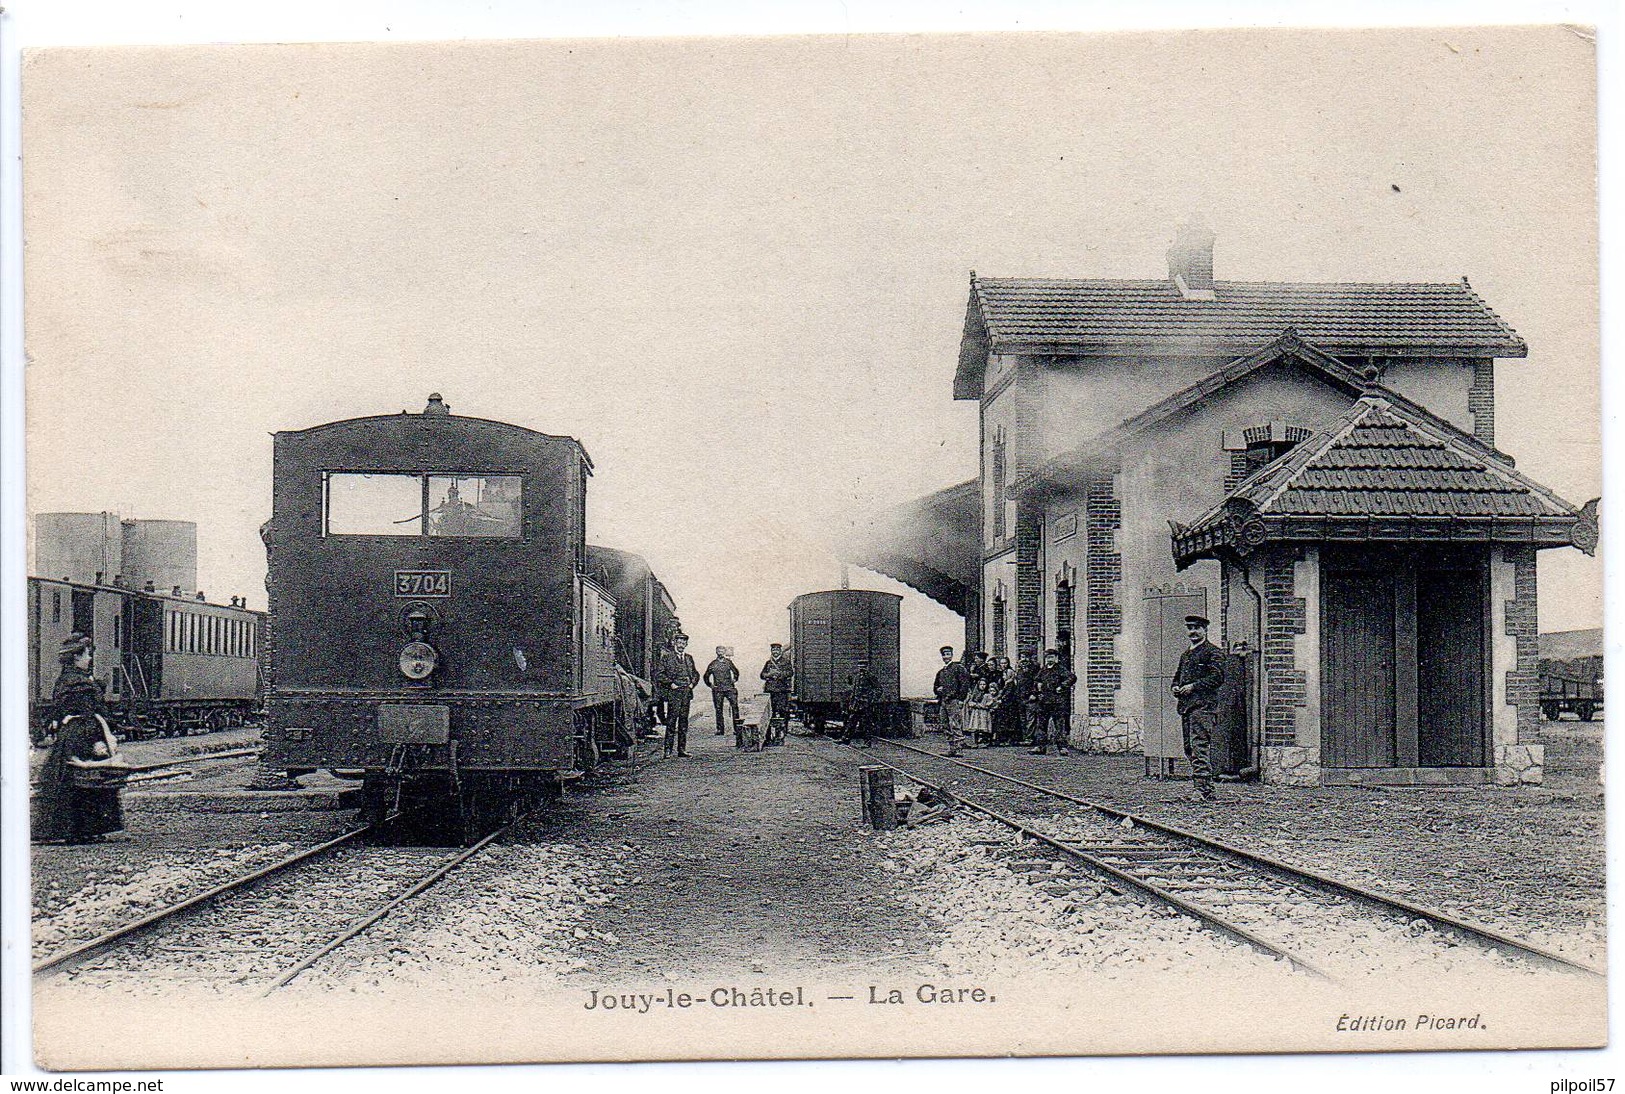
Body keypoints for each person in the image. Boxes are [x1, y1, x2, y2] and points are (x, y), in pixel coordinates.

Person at [33, 635, 128, 844]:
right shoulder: (81, 682)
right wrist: (101, 735)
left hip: (69, 733)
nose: (90, 658)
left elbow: (58, 710)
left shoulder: (64, 680)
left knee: (67, 780)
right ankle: (83, 830)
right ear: (76, 656)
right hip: (83, 732)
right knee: (88, 778)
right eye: (87, 654)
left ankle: (69, 829)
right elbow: (92, 711)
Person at [1171, 614, 1226, 801]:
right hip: (1187, 707)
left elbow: (1217, 678)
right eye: (1190, 628)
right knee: (1189, 748)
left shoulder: (1213, 652)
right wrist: (1175, 686)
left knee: (1199, 746)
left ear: (1205, 630)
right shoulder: (1186, 654)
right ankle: (1207, 788)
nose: (1193, 632)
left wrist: (1193, 686)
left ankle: (1201, 789)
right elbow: (1178, 676)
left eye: (1197, 628)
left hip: (1204, 707)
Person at [656, 633, 700, 758]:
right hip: (674, 693)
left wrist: (692, 684)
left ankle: (682, 750)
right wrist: (670, 684)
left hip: (686, 692)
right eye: (679, 642)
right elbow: (659, 674)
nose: (681, 645)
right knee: (671, 722)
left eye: (683, 643)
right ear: (675, 643)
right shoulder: (667, 657)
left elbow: (696, 674)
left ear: (686, 644)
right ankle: (668, 751)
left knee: (683, 722)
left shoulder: (689, 658)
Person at [1029, 648, 1076, 755]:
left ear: (1056, 658)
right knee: (1041, 724)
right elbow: (1036, 680)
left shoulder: (1060, 669)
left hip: (1057, 701)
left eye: (1051, 657)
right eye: (1047, 657)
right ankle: (1040, 746)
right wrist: (1036, 689)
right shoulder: (1044, 670)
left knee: (1059, 725)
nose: (1049, 659)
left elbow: (1072, 678)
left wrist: (1062, 687)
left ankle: (1062, 747)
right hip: (1044, 701)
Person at [932, 646, 972, 757]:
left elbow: (964, 684)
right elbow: (935, 687)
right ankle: (952, 748)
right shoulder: (940, 672)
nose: (946, 656)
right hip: (943, 701)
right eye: (944, 655)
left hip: (954, 700)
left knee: (955, 724)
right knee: (945, 725)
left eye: (948, 654)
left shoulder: (958, 668)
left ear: (952, 655)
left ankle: (959, 748)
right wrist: (938, 690)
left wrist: (960, 699)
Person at [703, 646, 742, 743]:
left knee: (735, 708)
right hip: (718, 690)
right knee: (718, 709)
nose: (720, 652)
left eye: (722, 650)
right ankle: (720, 729)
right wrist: (711, 685)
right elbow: (706, 676)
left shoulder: (728, 662)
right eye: (718, 650)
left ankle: (737, 729)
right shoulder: (713, 664)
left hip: (729, 688)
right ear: (716, 652)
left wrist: (735, 679)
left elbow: (736, 672)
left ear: (724, 652)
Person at [760, 643, 794, 744]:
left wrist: (780, 675)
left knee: (782, 712)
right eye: (773, 650)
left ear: (780, 651)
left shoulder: (786, 662)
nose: (775, 652)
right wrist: (768, 674)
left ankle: (781, 734)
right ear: (771, 652)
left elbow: (790, 673)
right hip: (770, 691)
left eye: (777, 650)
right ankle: (768, 736)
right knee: (770, 713)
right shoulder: (768, 663)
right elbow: (762, 675)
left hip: (782, 691)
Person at [842, 660, 881, 746]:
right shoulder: (856, 677)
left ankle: (867, 742)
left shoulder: (871, 677)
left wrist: (871, 700)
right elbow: (854, 691)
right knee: (851, 721)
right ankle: (845, 740)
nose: (861, 668)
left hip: (865, 704)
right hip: (856, 704)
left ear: (866, 667)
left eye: (863, 666)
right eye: (860, 666)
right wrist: (851, 703)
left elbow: (879, 689)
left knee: (866, 723)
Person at [965, 677, 996, 747]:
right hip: (976, 712)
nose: (982, 686)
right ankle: (975, 742)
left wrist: (983, 706)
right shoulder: (975, 693)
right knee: (976, 727)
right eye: (981, 684)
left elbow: (989, 703)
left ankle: (983, 742)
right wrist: (975, 705)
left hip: (984, 713)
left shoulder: (988, 694)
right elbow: (970, 702)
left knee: (983, 727)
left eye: (984, 684)